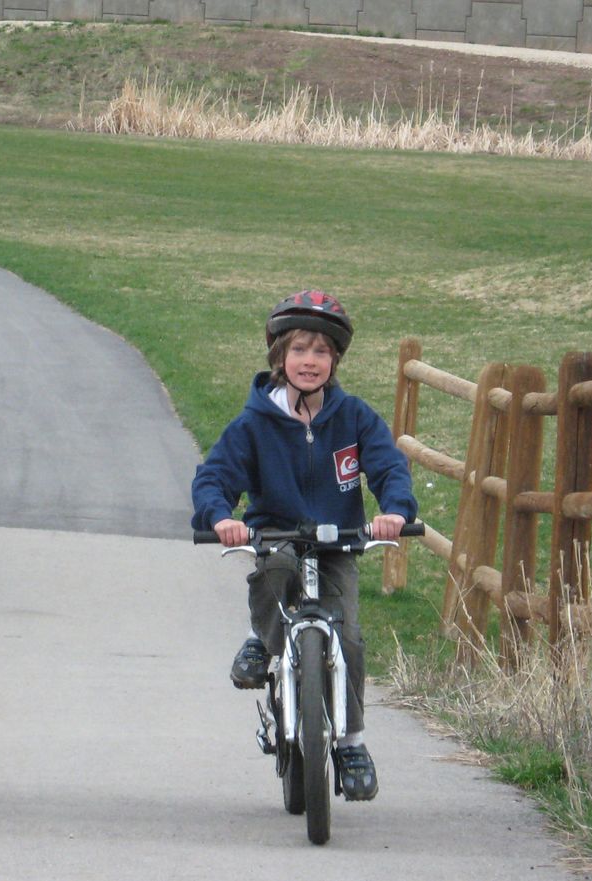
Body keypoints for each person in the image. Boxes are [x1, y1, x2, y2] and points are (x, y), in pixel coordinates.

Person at [190, 290, 417, 799]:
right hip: (276, 535)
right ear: (279, 357)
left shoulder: (354, 417)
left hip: (338, 543)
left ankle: (352, 742)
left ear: (334, 360)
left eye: (320, 351)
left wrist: (396, 510)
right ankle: (264, 638)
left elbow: (386, 466)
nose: (309, 361)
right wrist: (221, 516)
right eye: (298, 350)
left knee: (350, 638)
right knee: (274, 574)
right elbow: (216, 476)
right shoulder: (253, 424)